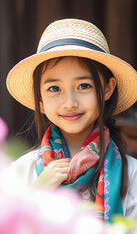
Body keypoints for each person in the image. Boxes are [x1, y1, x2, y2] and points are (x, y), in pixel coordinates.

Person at [6, 18, 137, 224]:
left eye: (84, 86)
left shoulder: (133, 174)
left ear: (107, 89)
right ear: (40, 97)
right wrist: (36, 193)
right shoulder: (20, 172)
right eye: (54, 89)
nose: (69, 103)